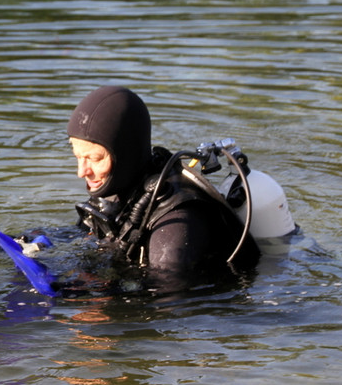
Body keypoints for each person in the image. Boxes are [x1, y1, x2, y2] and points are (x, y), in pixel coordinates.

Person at [67, 85, 259, 291]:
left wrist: (77, 294)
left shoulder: (176, 223)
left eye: (95, 159)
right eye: (78, 156)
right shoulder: (118, 191)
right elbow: (81, 236)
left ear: (126, 154)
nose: (81, 171)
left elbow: (168, 300)